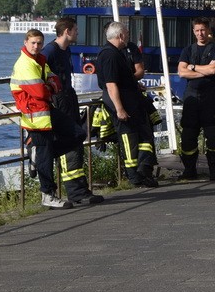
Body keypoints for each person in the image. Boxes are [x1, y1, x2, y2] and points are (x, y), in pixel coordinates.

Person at [41, 17, 104, 205]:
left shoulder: (66, 50)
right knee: (70, 143)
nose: (78, 33)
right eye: (76, 30)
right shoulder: (50, 52)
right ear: (67, 31)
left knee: (77, 141)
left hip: (69, 98)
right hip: (59, 102)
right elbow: (40, 76)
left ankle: (79, 188)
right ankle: (76, 192)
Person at [10, 29, 75, 209]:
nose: (36, 46)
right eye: (33, 43)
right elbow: (40, 91)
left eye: (39, 43)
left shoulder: (40, 60)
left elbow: (56, 81)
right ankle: (48, 195)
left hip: (46, 110)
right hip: (34, 116)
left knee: (77, 134)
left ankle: (36, 157)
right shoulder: (25, 64)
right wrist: (50, 86)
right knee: (46, 157)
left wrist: (50, 84)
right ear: (25, 43)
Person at [95, 21, 158, 188]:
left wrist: (134, 85)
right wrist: (119, 108)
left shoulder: (117, 53)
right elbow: (111, 84)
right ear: (121, 36)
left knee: (144, 136)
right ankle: (134, 176)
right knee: (129, 139)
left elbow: (122, 78)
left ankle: (143, 170)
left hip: (133, 101)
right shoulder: (109, 55)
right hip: (122, 104)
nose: (129, 37)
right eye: (127, 34)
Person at [177, 18, 215, 180]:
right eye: (197, 30)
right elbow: (182, 72)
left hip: (210, 97)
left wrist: (193, 67)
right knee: (188, 137)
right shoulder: (187, 50)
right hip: (191, 97)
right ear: (193, 31)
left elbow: (214, 69)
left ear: (208, 30)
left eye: (203, 30)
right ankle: (190, 170)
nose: (200, 33)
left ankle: (214, 170)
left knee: (213, 137)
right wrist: (204, 71)